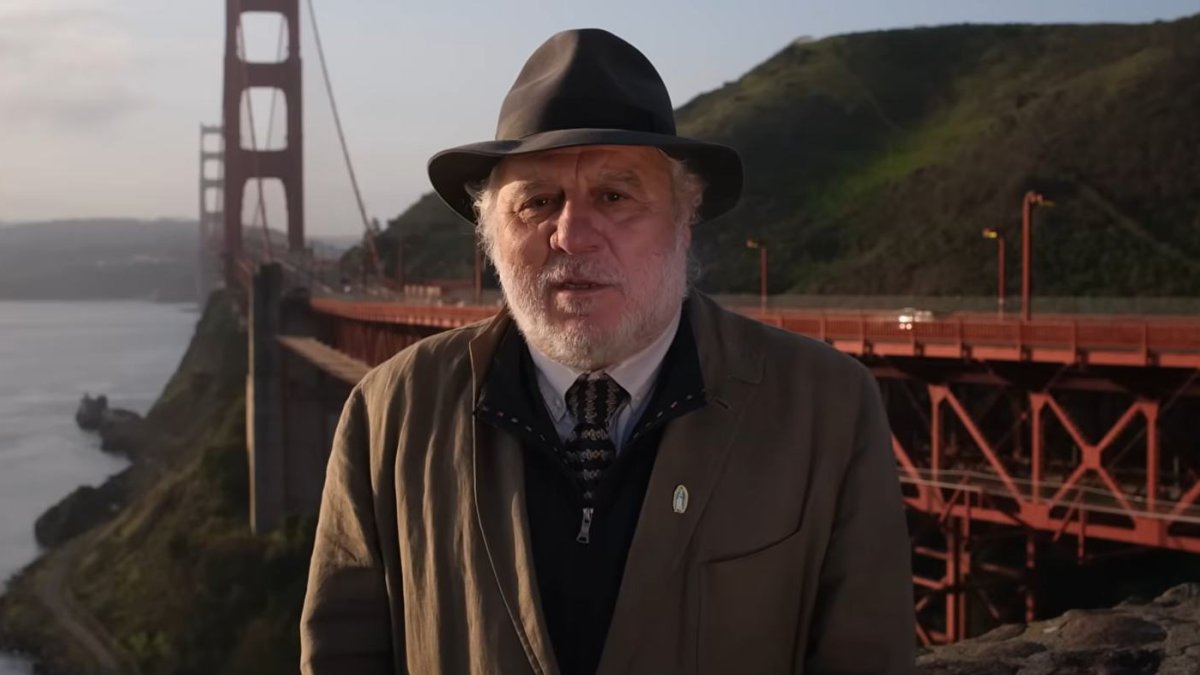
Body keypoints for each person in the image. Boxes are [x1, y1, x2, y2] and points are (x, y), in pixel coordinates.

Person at [301, 28, 914, 675]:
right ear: (489, 234)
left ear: (685, 216)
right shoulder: (388, 413)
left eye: (615, 196)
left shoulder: (828, 408)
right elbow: (343, 652)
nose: (571, 234)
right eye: (537, 202)